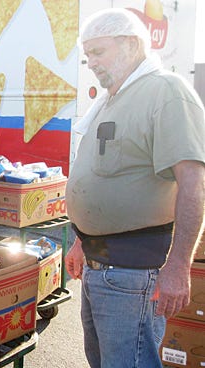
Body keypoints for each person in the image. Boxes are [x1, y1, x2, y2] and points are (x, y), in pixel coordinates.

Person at [65, 8, 205, 368]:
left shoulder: (166, 91)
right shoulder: (111, 98)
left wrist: (178, 266)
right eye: (87, 54)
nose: (90, 62)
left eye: (98, 52)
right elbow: (106, 173)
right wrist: (82, 239)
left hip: (134, 271)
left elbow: (193, 183)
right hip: (101, 267)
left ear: (131, 44)